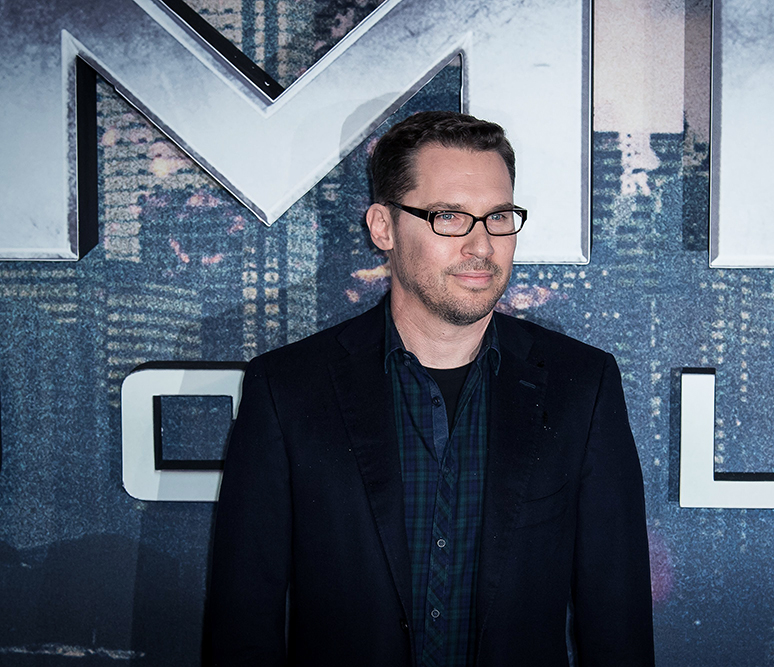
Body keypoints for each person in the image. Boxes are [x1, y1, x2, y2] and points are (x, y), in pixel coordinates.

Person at [206, 110, 654, 666]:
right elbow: (243, 621)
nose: (481, 245)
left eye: (498, 217)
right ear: (383, 227)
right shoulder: (288, 390)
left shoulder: (582, 386)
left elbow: (617, 621)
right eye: (449, 217)